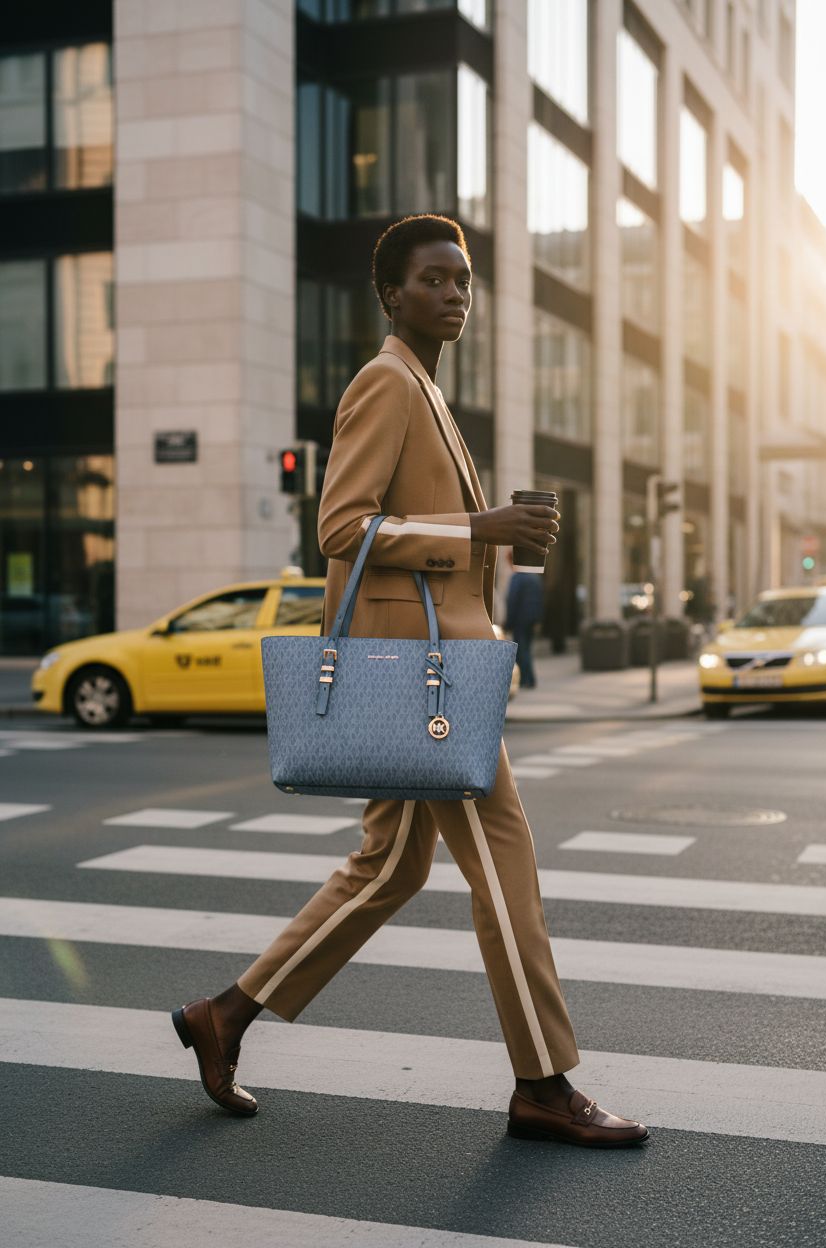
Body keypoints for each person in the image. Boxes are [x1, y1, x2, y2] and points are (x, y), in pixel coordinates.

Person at [171, 213, 649, 1148]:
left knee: (390, 866)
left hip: (433, 675)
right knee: (506, 862)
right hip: (422, 685)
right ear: (392, 294)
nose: (454, 294)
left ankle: (224, 1016)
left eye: (463, 281)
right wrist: (481, 529)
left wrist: (494, 536)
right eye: (434, 280)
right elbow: (341, 527)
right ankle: (543, 1084)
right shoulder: (385, 382)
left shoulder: (425, 388)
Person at [505, 552, 545, 688]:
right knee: (527, 649)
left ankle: (525, 679)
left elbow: (512, 601)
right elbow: (540, 600)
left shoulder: (517, 578)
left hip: (520, 620)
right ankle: (530, 679)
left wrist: (508, 623)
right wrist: (538, 620)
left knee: (522, 650)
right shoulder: (535, 578)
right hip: (531, 620)